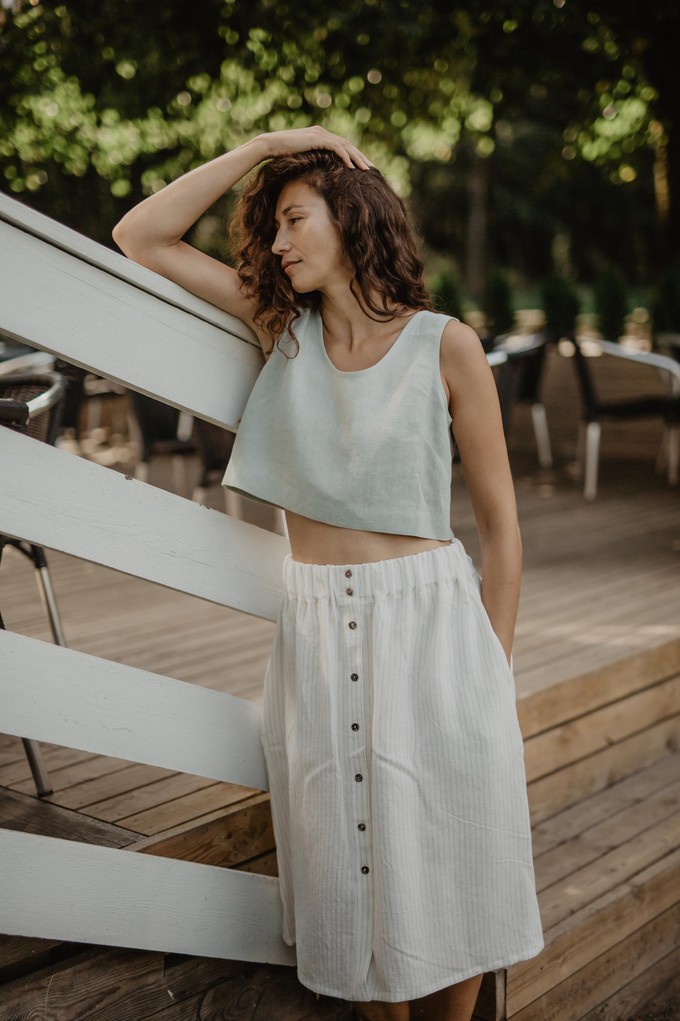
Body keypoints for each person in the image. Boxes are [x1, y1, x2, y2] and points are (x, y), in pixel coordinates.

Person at [112, 126, 544, 1021]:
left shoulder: (446, 345)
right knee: (341, 852)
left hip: (431, 622)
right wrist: (271, 145)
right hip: (316, 618)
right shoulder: (283, 331)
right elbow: (141, 236)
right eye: (272, 225)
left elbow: (503, 530)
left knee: (445, 838)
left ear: (350, 220)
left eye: (294, 219)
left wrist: (492, 675)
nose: (277, 243)